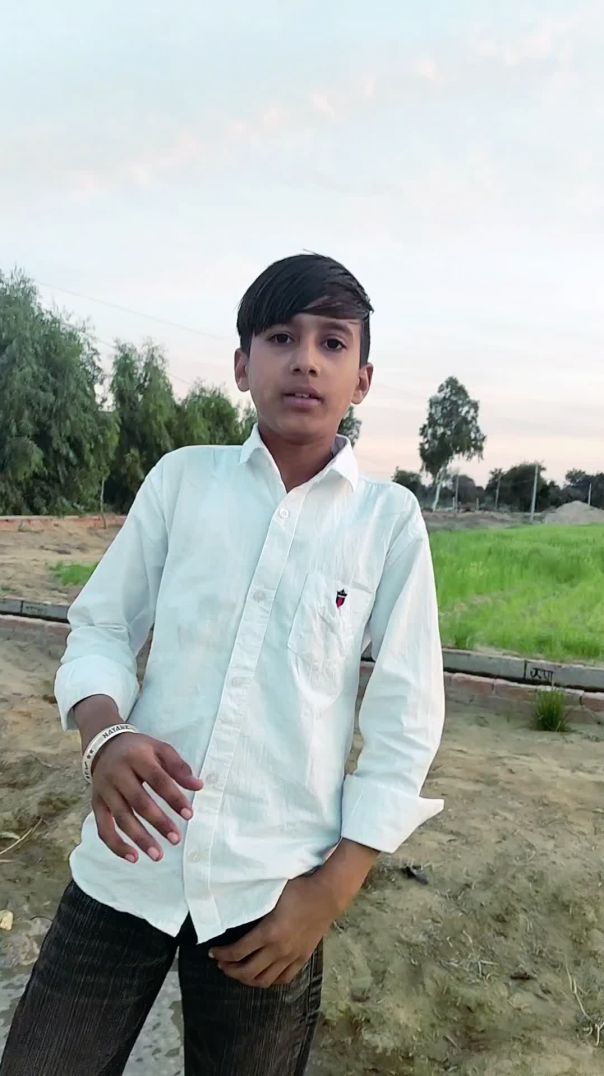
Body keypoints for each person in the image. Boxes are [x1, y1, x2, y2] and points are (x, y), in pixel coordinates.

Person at [0, 253, 445, 1076]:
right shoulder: (183, 482)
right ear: (243, 365)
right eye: (280, 338)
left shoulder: (387, 523)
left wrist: (330, 892)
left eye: (332, 342)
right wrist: (104, 737)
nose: (305, 360)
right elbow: (102, 625)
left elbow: (406, 720)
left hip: (273, 892)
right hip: (129, 862)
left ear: (362, 378)